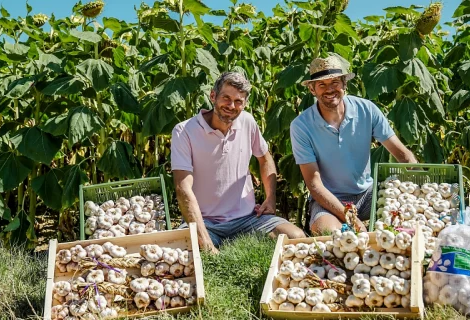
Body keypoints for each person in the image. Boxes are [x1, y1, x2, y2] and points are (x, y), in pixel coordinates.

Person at [171, 72, 305, 254]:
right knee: (182, 254)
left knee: (296, 238)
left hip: (247, 219)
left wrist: (270, 198)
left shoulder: (247, 121)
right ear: (212, 96)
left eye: (238, 101)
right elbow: (183, 188)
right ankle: (212, 243)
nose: (231, 105)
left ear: (245, 104)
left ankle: (231, 243)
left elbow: (265, 158)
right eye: (226, 98)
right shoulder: (184, 131)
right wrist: (204, 240)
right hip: (205, 221)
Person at [290, 56, 418, 235]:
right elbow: (314, 185)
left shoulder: (367, 110)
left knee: (404, 218)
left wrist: (419, 188)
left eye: (335, 82)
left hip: (368, 194)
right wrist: (353, 220)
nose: (329, 89)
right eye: (322, 85)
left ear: (344, 84)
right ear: (312, 89)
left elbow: (402, 154)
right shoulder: (301, 126)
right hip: (330, 198)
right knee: (326, 231)